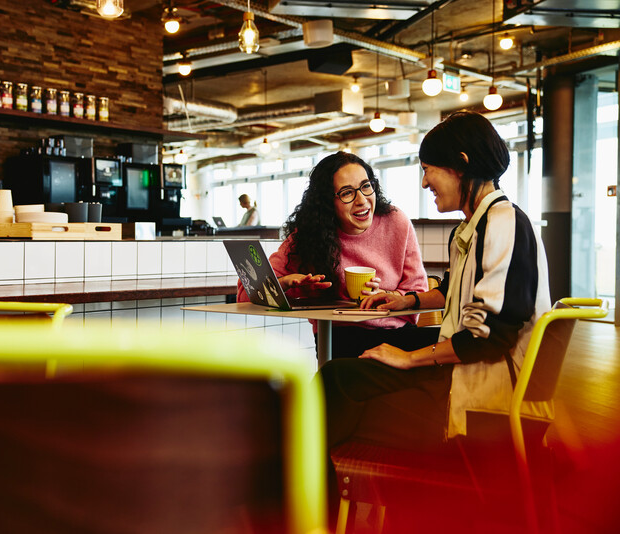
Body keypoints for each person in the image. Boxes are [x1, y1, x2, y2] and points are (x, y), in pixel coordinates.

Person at [320, 111, 552, 453]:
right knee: (350, 374)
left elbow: (487, 336)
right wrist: (405, 301)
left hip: (486, 402)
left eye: (428, 170)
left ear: (460, 164)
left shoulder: (503, 225)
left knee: (335, 382)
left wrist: (409, 358)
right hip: (478, 380)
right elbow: (453, 290)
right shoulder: (477, 224)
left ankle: (320, 492)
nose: (425, 183)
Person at [236, 151, 433, 358]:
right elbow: (245, 295)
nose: (362, 200)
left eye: (366, 186)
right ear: (327, 202)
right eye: (347, 193)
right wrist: (285, 283)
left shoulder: (396, 221)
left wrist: (388, 297)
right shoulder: (309, 236)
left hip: (398, 335)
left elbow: (417, 290)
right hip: (340, 339)